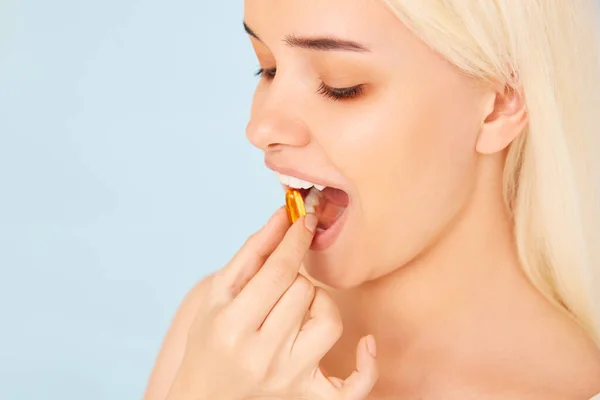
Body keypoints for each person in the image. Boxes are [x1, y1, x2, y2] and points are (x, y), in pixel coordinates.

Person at [144, 0, 600, 399]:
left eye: (341, 85)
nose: (261, 129)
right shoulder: (223, 336)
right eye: (267, 68)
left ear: (500, 105)